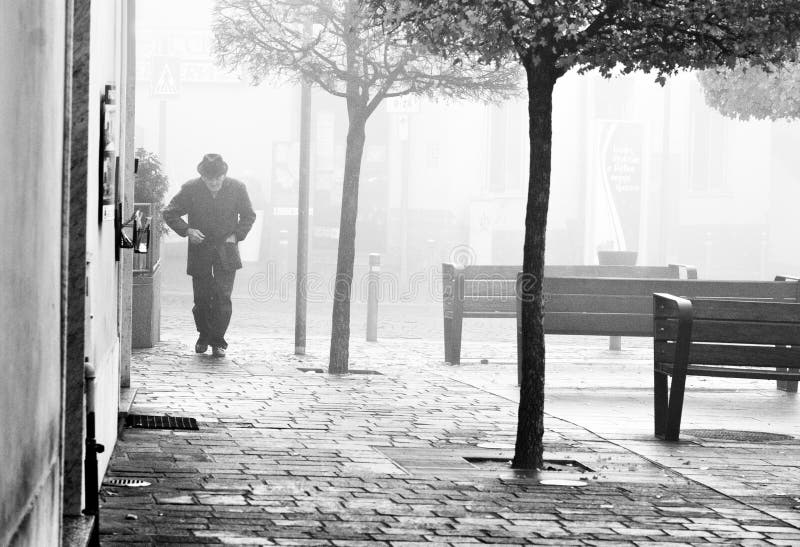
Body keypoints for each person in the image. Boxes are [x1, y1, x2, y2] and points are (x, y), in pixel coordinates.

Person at [163, 153, 256, 357]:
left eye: (217, 178)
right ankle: (204, 335)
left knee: (223, 297)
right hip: (200, 249)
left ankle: (218, 341)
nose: (213, 182)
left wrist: (236, 235)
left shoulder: (237, 188)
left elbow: (249, 215)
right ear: (202, 177)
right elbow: (169, 212)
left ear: (224, 175)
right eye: (209, 179)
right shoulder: (190, 189)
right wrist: (188, 230)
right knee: (202, 298)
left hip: (226, 249)